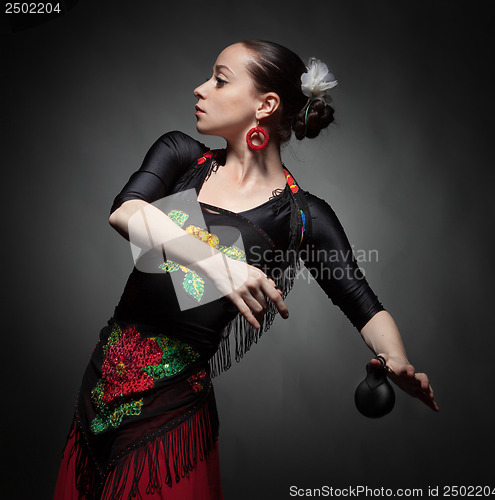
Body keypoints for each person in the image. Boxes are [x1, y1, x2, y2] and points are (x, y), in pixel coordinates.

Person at [54, 40, 438, 500]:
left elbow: (363, 304)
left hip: (170, 419)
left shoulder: (302, 216)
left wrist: (396, 361)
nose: (200, 89)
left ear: (266, 104)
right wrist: (218, 263)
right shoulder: (181, 157)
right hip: (97, 389)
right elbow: (126, 212)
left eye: (219, 79)